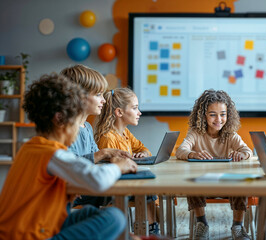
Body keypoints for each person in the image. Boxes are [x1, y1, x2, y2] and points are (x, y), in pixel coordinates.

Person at [0, 73, 137, 239]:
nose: (80, 127)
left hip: (41, 224)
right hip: (30, 236)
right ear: (59, 120)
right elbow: (97, 180)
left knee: (90, 213)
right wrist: (118, 167)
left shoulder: (30, 147)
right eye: (78, 121)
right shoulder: (52, 153)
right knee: (115, 217)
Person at [175, 89, 253, 240]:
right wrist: (193, 154)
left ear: (228, 115)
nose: (219, 119)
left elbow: (247, 150)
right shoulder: (196, 133)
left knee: (241, 182)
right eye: (212, 114)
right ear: (203, 115)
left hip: (227, 185)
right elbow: (181, 150)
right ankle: (201, 223)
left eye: (223, 114)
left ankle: (237, 225)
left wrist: (242, 154)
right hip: (203, 185)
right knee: (192, 181)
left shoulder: (230, 134)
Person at [60, 64, 132, 208]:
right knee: (129, 191)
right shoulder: (65, 130)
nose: (103, 100)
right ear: (79, 97)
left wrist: (111, 156)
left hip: (87, 184)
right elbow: (71, 167)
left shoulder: (86, 127)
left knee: (136, 188)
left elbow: (93, 160)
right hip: (77, 192)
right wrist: (104, 153)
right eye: (98, 95)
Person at [94, 87, 158, 235]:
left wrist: (141, 154)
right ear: (119, 112)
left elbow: (144, 149)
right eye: (135, 108)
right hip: (115, 189)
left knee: (149, 188)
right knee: (147, 190)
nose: (139, 112)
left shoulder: (125, 132)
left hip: (127, 182)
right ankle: (149, 230)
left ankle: (151, 229)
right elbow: (113, 170)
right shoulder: (108, 137)